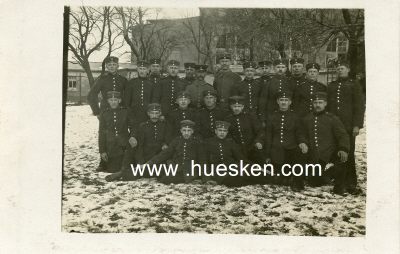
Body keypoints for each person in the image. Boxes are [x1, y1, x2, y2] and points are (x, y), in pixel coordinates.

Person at [327, 60, 365, 194]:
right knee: (336, 152)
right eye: (338, 69)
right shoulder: (331, 85)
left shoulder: (354, 84)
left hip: (348, 126)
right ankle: (338, 180)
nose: (340, 71)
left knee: (348, 153)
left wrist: (356, 125)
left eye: (342, 68)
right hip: (333, 126)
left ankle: (351, 182)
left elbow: (359, 106)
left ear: (348, 69)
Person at [105, 103, 169, 182]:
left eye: (157, 113)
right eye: (152, 113)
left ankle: (125, 173)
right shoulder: (143, 126)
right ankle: (122, 172)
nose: (154, 115)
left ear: (160, 113)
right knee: (132, 174)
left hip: (158, 157)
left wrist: (164, 144)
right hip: (146, 156)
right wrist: (140, 162)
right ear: (148, 114)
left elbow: (166, 140)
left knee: (161, 171)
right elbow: (140, 146)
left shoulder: (165, 125)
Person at [303, 92, 350, 195]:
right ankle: (324, 177)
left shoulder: (332, 119)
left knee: (341, 158)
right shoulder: (307, 119)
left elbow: (343, 135)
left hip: (330, 155)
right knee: (314, 182)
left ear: (325, 104)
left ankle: (339, 186)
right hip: (314, 157)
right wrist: (304, 143)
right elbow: (303, 135)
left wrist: (343, 148)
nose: (318, 105)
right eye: (315, 102)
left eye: (320, 102)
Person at [87, 56, 128, 172]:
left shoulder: (123, 80)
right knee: (106, 134)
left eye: (114, 65)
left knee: (120, 133)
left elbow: (127, 95)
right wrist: (97, 112)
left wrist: (125, 109)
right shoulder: (102, 79)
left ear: (117, 66)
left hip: (120, 110)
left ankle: (120, 158)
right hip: (106, 112)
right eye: (109, 65)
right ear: (106, 67)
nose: (111, 67)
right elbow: (91, 95)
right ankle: (103, 161)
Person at [264, 91, 308, 190]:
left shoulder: (295, 117)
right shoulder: (272, 117)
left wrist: (302, 142)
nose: (284, 102)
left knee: (299, 154)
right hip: (276, 151)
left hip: (290, 150)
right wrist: (267, 154)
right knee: (278, 180)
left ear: (290, 102)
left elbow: (299, 133)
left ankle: (297, 182)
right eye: (281, 100)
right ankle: (285, 177)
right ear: (277, 102)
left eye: (286, 100)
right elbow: (268, 136)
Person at [145, 120, 205, 184]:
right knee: (152, 169)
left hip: (189, 170)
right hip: (176, 166)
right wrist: (149, 163)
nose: (186, 133)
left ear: (192, 131)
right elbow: (165, 153)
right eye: (184, 130)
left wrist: (205, 179)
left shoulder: (197, 142)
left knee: (166, 179)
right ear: (181, 131)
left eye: (189, 130)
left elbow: (203, 160)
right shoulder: (177, 140)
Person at [204, 121, 249, 186]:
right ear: (216, 131)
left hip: (232, 167)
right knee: (234, 181)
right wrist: (207, 178)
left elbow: (241, 158)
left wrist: (256, 167)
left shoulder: (230, 142)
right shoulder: (208, 142)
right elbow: (204, 162)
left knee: (253, 174)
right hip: (218, 170)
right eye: (220, 130)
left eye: (224, 131)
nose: (222, 133)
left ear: (227, 132)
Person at [98, 91, 134, 173]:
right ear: (108, 101)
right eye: (111, 100)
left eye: (115, 100)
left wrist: (132, 136)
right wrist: (102, 151)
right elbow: (101, 133)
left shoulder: (126, 111)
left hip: (124, 144)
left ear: (119, 101)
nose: (113, 102)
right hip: (110, 145)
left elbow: (133, 126)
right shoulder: (104, 113)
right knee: (112, 170)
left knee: (126, 167)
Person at [225, 96, 264, 164]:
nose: (237, 108)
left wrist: (258, 141)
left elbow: (260, 131)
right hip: (237, 149)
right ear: (231, 106)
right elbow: (228, 136)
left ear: (242, 107)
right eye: (234, 106)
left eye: (239, 106)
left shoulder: (250, 117)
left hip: (252, 147)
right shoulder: (228, 119)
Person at [124, 60, 154, 129]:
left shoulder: (151, 84)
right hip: (134, 114)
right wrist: (129, 114)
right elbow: (127, 100)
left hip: (147, 114)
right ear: (137, 69)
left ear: (148, 70)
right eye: (140, 68)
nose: (142, 71)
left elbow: (153, 99)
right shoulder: (131, 83)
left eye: (144, 69)